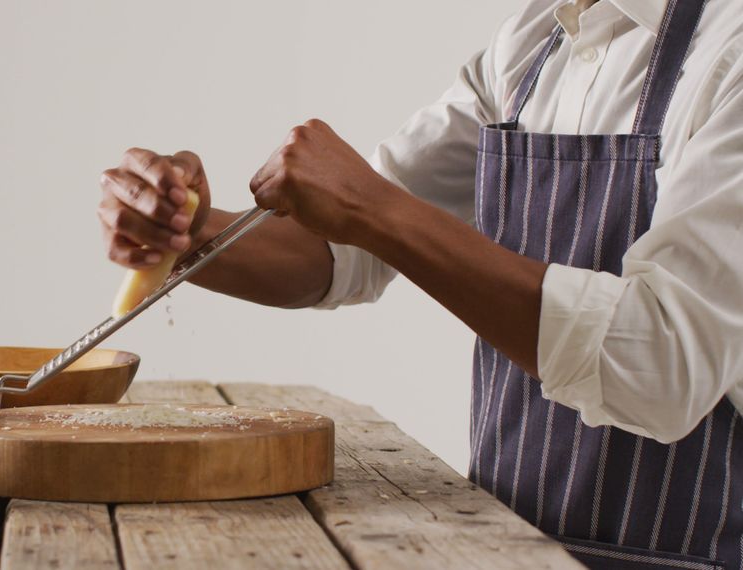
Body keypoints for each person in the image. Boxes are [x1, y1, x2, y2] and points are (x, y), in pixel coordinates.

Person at [96, 0, 743, 567]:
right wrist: (188, 228)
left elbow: (664, 362)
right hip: (509, 547)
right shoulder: (534, 45)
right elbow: (343, 251)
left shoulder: (730, 48)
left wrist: (374, 208)